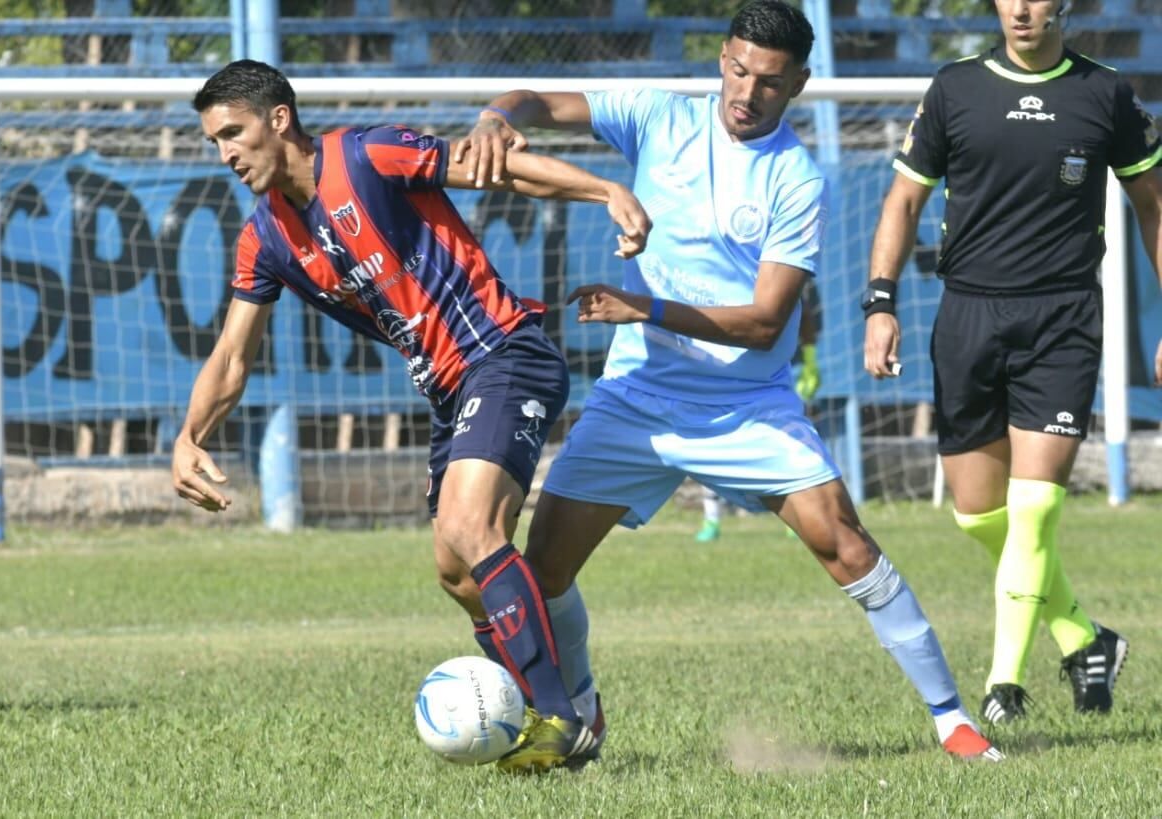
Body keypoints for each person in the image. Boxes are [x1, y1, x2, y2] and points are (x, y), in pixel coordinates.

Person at [458, 0, 1002, 765]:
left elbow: (763, 321)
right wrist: (493, 117)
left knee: (845, 545)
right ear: (723, 59)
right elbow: (541, 103)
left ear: (799, 86)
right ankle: (580, 708)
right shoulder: (658, 116)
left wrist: (640, 305)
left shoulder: (795, 180)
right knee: (541, 571)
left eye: (770, 83)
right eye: (739, 71)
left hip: (745, 404)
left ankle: (952, 720)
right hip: (638, 397)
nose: (748, 93)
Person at [172, 59, 653, 772]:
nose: (226, 155)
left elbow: (493, 167)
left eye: (234, 133)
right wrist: (189, 437)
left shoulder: (366, 155)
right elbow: (232, 356)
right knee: (456, 571)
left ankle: (558, 718)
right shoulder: (264, 238)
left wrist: (604, 188)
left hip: (504, 351)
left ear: (279, 120)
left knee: (470, 527)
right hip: (449, 392)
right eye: (214, 142)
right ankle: (574, 701)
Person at [864, 0, 1160, 724]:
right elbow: (904, 201)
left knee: (1033, 510)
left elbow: (1154, 204)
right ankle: (1085, 637)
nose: (1022, 8)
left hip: (1061, 317)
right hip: (967, 314)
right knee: (978, 515)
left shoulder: (1104, 92)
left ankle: (1003, 686)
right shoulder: (954, 88)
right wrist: (879, 302)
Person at [697, 282, 820, 542]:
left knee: (790, 444)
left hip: (775, 376)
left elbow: (804, 312)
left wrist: (810, 358)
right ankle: (711, 519)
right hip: (725, 372)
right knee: (710, 442)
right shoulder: (714, 281)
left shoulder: (779, 277)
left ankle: (797, 514)